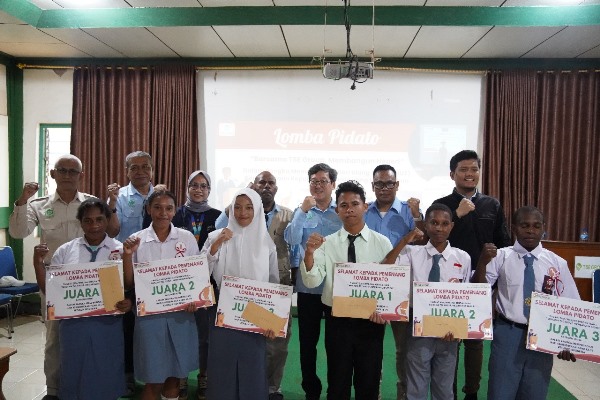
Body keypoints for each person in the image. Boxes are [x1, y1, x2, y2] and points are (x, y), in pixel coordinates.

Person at [8, 154, 94, 400]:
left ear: (81, 175)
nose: (67, 175)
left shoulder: (90, 204)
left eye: (73, 171)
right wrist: (23, 199)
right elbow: (17, 231)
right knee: (54, 338)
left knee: (87, 335)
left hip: (86, 280)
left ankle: (85, 384)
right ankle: (54, 390)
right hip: (53, 281)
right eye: (62, 170)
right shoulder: (39, 205)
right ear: (53, 174)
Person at [473, 206, 579, 400]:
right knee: (500, 392)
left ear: (543, 228)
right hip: (507, 332)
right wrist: (482, 261)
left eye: (536, 226)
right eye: (524, 225)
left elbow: (571, 304)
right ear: (514, 228)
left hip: (543, 337)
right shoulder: (501, 257)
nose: (530, 230)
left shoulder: (557, 263)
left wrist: (567, 343)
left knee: (534, 393)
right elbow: (477, 292)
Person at [301, 180, 393, 400]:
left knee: (368, 383)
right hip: (337, 321)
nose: (349, 209)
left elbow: (390, 285)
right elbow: (313, 281)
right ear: (337, 210)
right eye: (344, 205)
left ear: (365, 206)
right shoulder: (326, 243)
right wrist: (309, 254)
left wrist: (386, 311)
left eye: (354, 203)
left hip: (371, 322)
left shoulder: (383, 243)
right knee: (338, 382)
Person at [33, 198, 131, 400]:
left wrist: (128, 302)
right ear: (80, 222)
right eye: (88, 221)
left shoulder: (120, 250)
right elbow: (50, 291)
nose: (94, 225)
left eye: (99, 219)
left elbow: (129, 285)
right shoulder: (66, 250)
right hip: (73, 325)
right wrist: (37, 263)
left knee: (107, 367)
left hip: (108, 323)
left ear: (107, 220)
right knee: (73, 367)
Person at [433, 150, 511, 400]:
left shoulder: (492, 204)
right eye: (463, 170)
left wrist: (498, 284)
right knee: (450, 339)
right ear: (452, 174)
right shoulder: (443, 204)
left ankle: (471, 392)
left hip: (481, 281)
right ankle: (450, 391)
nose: (469, 174)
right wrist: (457, 214)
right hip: (449, 282)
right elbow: (434, 238)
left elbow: (503, 243)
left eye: (474, 169)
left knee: (475, 340)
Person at [216, 171, 294, 400]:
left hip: (260, 305)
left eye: (271, 182)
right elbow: (211, 262)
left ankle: (269, 388)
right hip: (228, 310)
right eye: (262, 182)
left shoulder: (271, 237)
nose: (244, 212)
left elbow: (272, 281)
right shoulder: (223, 232)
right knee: (229, 359)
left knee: (264, 352)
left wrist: (272, 314)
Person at [383, 203, 471, 400]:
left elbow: (467, 298)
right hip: (418, 329)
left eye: (444, 223)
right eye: (433, 222)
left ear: (451, 226)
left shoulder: (462, 258)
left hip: (449, 332)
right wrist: (406, 240)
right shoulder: (412, 253)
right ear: (426, 225)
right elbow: (386, 267)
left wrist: (459, 329)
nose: (439, 228)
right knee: (416, 386)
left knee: (444, 387)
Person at [202, 188, 279, 400]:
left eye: (248, 207)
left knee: (252, 364)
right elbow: (200, 273)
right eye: (237, 207)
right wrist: (216, 246)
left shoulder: (267, 244)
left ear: (258, 210)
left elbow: (273, 284)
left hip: (256, 313)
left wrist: (273, 320)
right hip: (223, 312)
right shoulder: (215, 236)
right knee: (222, 363)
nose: (242, 212)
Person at [122, 190, 200, 400]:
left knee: (175, 377)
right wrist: (127, 256)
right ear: (148, 209)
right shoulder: (136, 240)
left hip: (181, 316)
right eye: (157, 207)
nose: (162, 213)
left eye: (168, 208)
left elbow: (196, 276)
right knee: (153, 380)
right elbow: (129, 283)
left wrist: (195, 299)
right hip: (150, 318)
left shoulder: (186, 238)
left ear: (175, 211)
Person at [364, 164, 424, 400]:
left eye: (389, 183)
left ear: (397, 185)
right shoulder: (364, 210)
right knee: (370, 347)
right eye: (379, 184)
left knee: (404, 349)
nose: (384, 188)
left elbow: (422, 243)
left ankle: (404, 394)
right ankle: (372, 392)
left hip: (401, 290)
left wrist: (418, 216)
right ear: (373, 186)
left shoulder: (410, 212)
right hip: (370, 286)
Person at [284, 163, 342, 400]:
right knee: (307, 344)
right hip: (308, 287)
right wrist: (300, 211)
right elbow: (291, 238)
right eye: (313, 181)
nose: (318, 185)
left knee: (336, 345)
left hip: (336, 287)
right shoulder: (303, 211)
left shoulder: (341, 212)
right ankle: (311, 390)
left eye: (323, 181)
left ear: (333, 185)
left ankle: (335, 390)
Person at [106, 150, 158, 395]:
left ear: (151, 169)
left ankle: (153, 373)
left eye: (144, 167)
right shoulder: (119, 197)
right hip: (127, 269)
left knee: (151, 325)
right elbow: (112, 231)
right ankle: (127, 375)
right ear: (126, 171)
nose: (140, 171)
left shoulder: (160, 195)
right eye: (134, 167)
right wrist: (113, 203)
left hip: (155, 272)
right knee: (126, 326)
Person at [172, 170, 221, 400]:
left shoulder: (218, 217)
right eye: (194, 185)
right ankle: (180, 377)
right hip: (178, 285)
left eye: (203, 186)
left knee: (205, 334)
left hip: (208, 285)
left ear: (209, 190)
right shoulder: (175, 214)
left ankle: (204, 377)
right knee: (181, 333)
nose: (198, 189)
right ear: (187, 188)